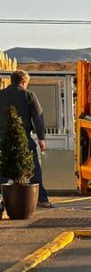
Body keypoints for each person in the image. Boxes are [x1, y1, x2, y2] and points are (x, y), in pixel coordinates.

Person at [0, 69, 52, 207]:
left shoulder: (1, 95)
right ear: (23, 81)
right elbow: (38, 117)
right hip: (24, 139)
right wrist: (41, 138)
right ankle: (42, 198)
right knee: (33, 168)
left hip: (2, 139)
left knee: (2, 170)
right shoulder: (29, 95)